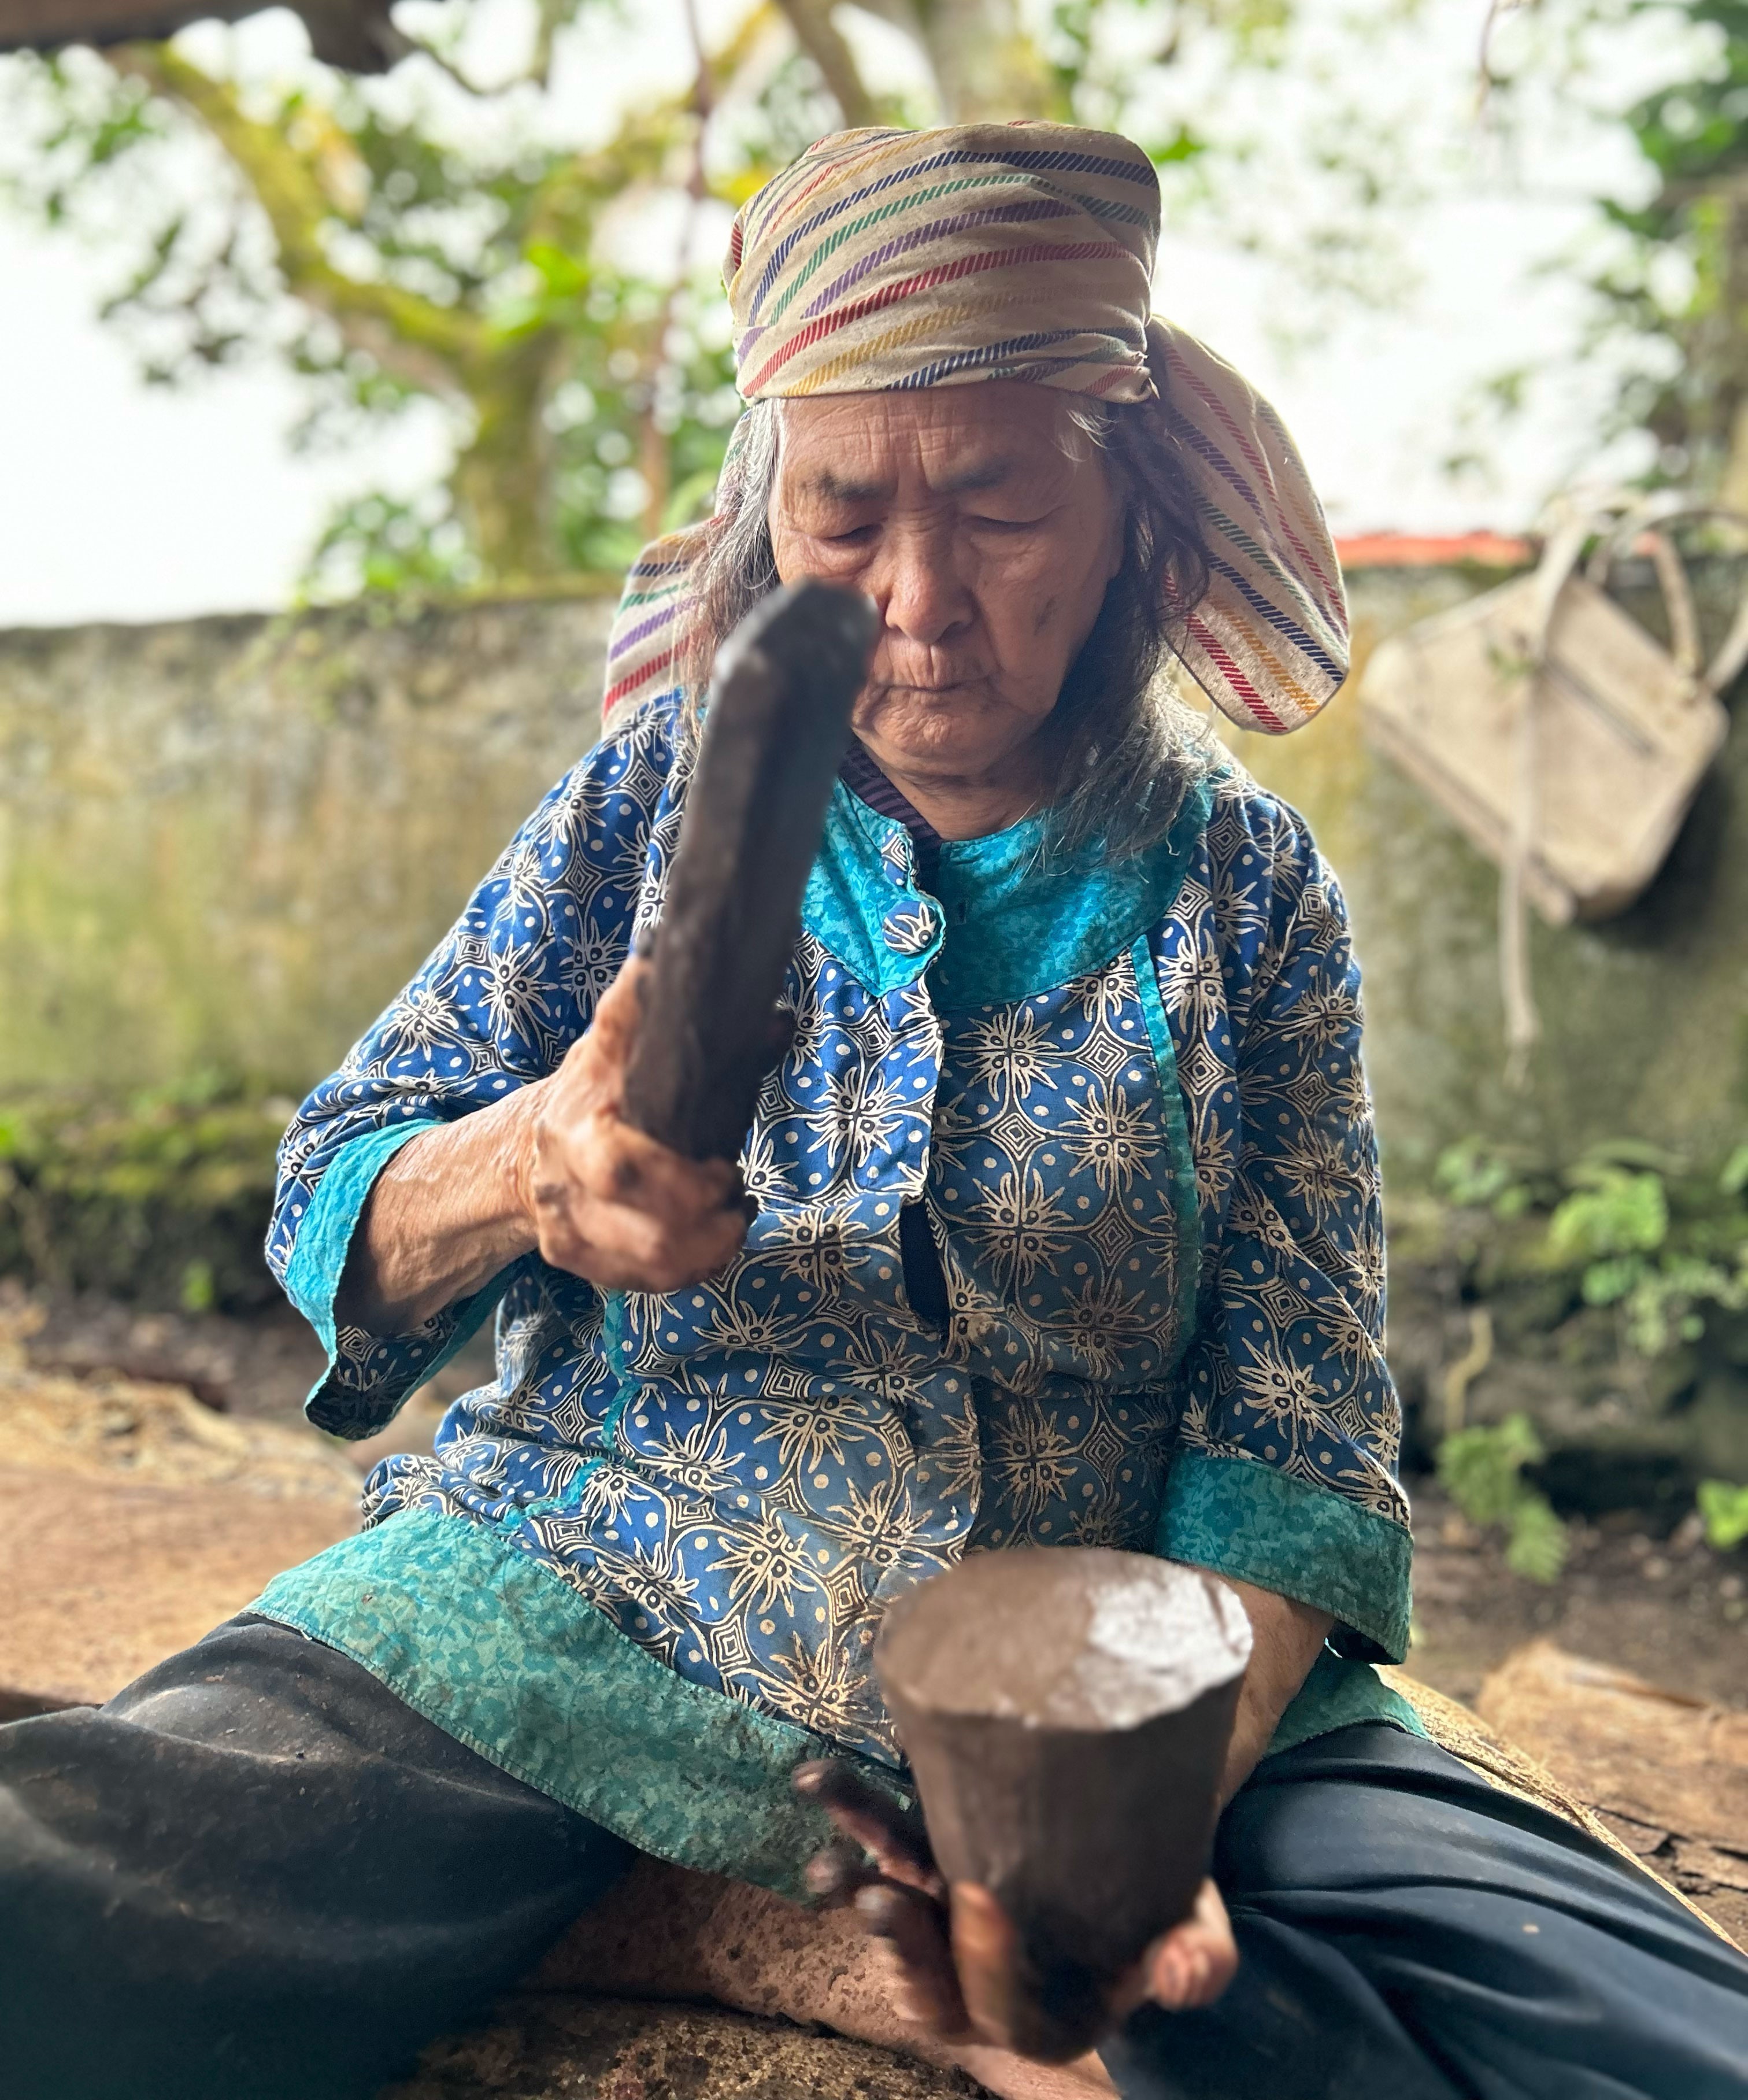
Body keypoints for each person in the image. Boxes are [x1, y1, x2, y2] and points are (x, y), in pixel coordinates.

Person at [2, 121, 1745, 2100]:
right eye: (843, 518)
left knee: (1635, 2037)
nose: (918, 601)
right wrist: (532, 1168)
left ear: (1130, 516)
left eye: (999, 510)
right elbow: (344, 1180)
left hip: (1117, 1676)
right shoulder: (647, 804)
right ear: (769, 524)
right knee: (62, 1903)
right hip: (582, 1595)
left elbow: (1296, 1440)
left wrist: (1119, 1816)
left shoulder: (1246, 898)